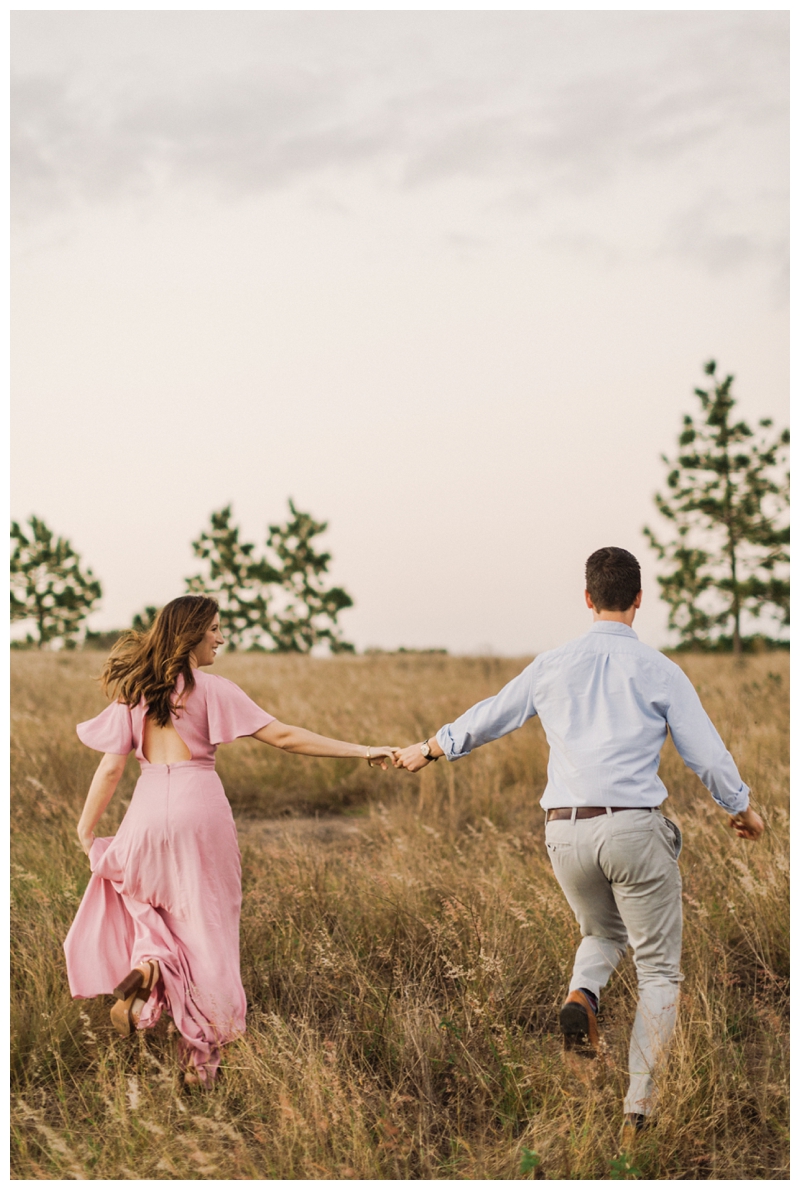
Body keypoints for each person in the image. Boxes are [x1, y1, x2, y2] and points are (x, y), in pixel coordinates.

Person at [392, 546, 764, 1138]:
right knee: (660, 973)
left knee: (600, 932)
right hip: (633, 828)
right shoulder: (660, 669)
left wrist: (430, 748)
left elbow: (491, 716)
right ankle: (640, 1108)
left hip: (563, 832)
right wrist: (742, 809)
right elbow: (708, 755)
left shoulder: (551, 664)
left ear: (587, 598)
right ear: (639, 599)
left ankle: (584, 995)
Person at [64, 595, 396, 1089]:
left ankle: (152, 965)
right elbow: (285, 737)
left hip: (148, 810)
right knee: (209, 928)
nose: (221, 638)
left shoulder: (135, 691)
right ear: (192, 634)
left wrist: (87, 830)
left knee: (142, 895)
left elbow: (111, 767)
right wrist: (364, 750)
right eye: (215, 629)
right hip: (201, 811)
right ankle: (200, 1065)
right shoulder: (211, 689)